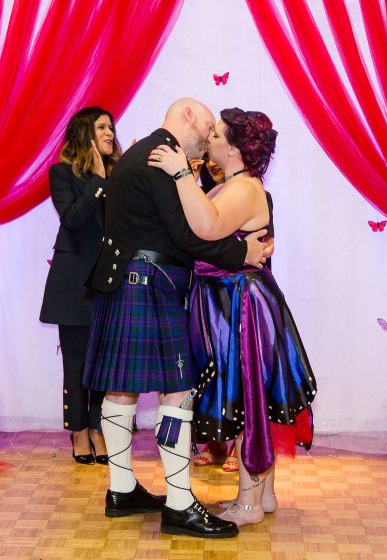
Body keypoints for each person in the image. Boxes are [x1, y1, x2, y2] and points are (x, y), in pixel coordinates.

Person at [83, 97, 270, 539]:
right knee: (178, 391)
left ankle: (122, 489)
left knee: (121, 388)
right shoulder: (160, 158)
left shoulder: (143, 154)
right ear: (187, 116)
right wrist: (241, 252)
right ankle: (181, 505)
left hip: (130, 279)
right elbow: (187, 235)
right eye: (207, 125)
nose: (209, 136)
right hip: (151, 281)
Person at [148, 107, 316, 525]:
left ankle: (249, 502)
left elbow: (206, 229)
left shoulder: (242, 189)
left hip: (239, 305)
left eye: (218, 135)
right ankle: (265, 495)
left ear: (235, 149)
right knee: (252, 396)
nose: (211, 140)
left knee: (246, 400)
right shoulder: (237, 185)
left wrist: (180, 173)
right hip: (234, 300)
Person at [40, 107, 121, 465]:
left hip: (107, 281)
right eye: (102, 127)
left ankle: (97, 428)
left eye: (111, 126)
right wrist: (98, 181)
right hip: (73, 283)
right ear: (85, 133)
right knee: (75, 362)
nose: (110, 132)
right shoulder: (61, 173)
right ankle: (78, 431)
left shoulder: (117, 174)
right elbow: (72, 218)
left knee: (102, 362)